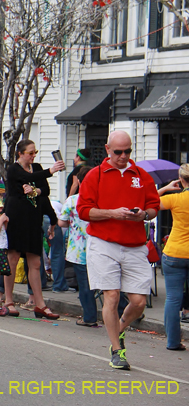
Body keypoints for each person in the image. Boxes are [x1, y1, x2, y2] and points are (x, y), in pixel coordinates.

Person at [77, 130, 160, 370]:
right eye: (118, 152)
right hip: (103, 243)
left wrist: (144, 215)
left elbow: (154, 206)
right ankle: (117, 350)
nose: (123, 156)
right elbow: (84, 211)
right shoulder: (95, 175)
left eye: (127, 151)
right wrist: (112, 213)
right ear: (107, 149)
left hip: (135, 245)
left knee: (139, 302)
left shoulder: (142, 175)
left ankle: (120, 328)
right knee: (111, 296)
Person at [2, 139, 65, 319]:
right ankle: (8, 300)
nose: (33, 156)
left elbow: (44, 189)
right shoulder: (13, 169)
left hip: (33, 217)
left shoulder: (36, 167)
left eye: (35, 152)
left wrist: (35, 192)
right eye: (30, 153)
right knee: (12, 258)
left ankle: (40, 304)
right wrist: (50, 171)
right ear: (20, 154)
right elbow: (26, 178)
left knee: (35, 262)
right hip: (16, 216)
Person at [57, 166, 97, 327]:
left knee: (84, 284)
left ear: (79, 181)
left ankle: (89, 316)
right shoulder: (100, 200)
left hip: (78, 248)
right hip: (99, 247)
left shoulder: (73, 200)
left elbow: (62, 221)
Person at [155, 164, 189, 351]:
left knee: (173, 299)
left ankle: (173, 342)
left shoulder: (175, 199)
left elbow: (148, 202)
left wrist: (165, 188)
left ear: (181, 180)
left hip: (175, 252)